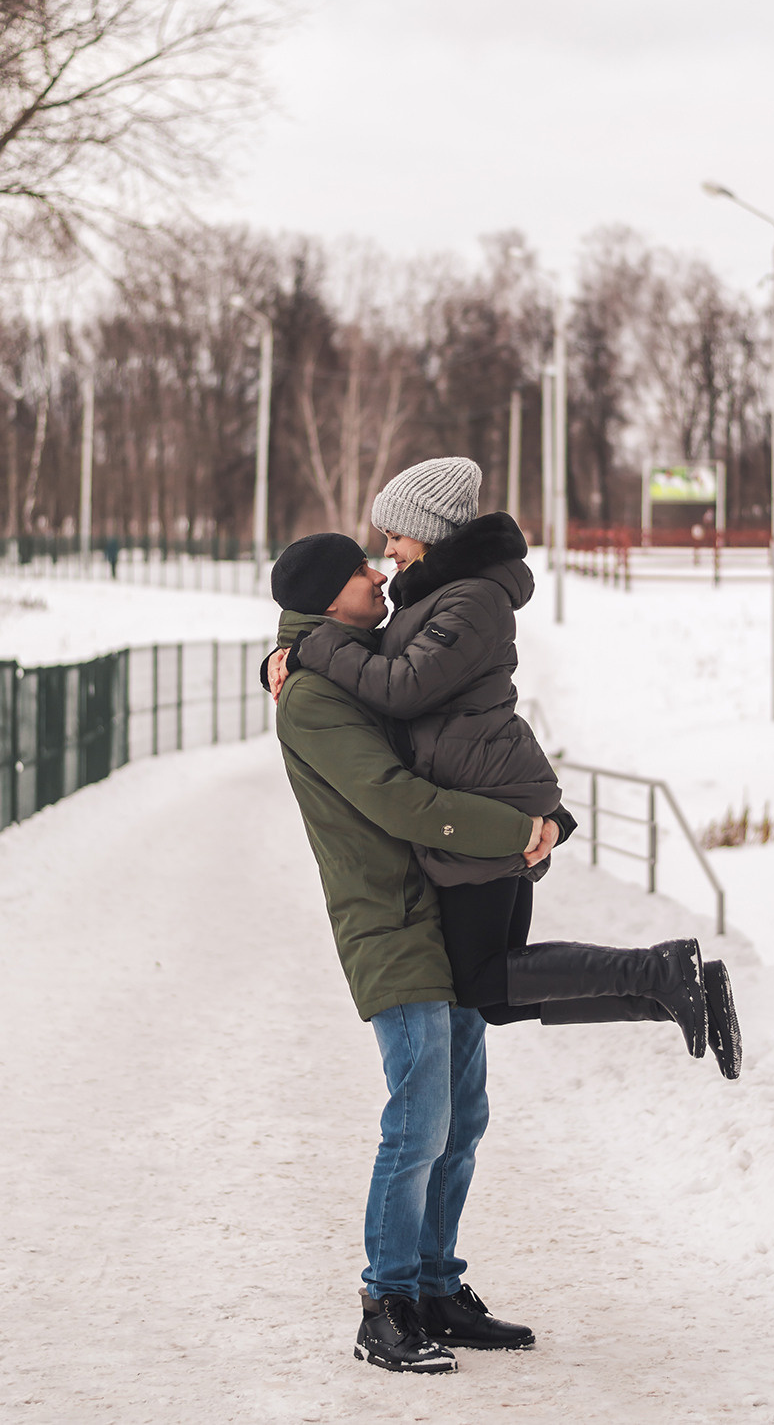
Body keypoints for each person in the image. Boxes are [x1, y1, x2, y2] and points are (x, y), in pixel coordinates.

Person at [267, 458, 741, 1082]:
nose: (387, 555)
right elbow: (365, 658)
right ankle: (672, 988)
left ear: (429, 531)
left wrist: (310, 646)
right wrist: (289, 651)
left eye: (396, 537)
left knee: (487, 979)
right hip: (481, 793)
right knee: (491, 989)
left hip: (484, 800)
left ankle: (663, 974)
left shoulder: (472, 600)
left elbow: (403, 686)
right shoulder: (436, 596)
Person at [269, 530, 547, 1375]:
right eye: (360, 570)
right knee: (419, 1116)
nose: (378, 573)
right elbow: (395, 799)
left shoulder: (356, 655)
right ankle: (383, 1303)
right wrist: (517, 832)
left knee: (463, 1116)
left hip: (437, 909)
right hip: (387, 922)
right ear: (326, 599)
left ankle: (432, 1286)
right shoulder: (314, 695)